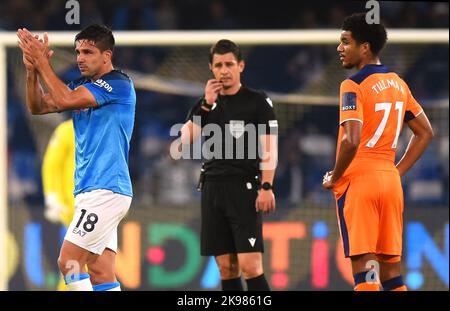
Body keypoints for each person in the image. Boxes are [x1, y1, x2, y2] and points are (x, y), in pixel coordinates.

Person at [17, 24, 136, 291]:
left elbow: (66, 98)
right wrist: (32, 71)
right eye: (78, 52)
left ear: (106, 56)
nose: (80, 58)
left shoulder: (118, 83)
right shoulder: (80, 86)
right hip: (89, 191)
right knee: (101, 271)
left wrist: (41, 62)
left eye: (88, 52)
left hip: (107, 189)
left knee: (68, 261)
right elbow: (38, 106)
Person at [322, 13, 434, 291]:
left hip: (359, 181)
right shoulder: (399, 83)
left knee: (366, 272)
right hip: (389, 180)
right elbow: (426, 132)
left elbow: (351, 141)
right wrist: (397, 171)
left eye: (345, 42)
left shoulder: (352, 85)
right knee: (392, 273)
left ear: (365, 47)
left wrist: (335, 177)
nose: (339, 48)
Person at [180, 39, 278, 291]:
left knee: (251, 266)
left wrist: (266, 185)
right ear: (211, 68)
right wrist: (206, 105)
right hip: (212, 189)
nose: (224, 70)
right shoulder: (205, 104)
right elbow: (184, 140)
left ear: (241, 66)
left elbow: (270, 148)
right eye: (219, 65)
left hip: (244, 189)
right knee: (226, 268)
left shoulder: (257, 101)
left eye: (230, 64)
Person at [41, 118, 75, 291]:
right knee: (78, 260)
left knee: (90, 261)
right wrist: (52, 197)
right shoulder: (67, 130)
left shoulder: (100, 130)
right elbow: (51, 164)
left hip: (95, 204)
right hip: (73, 206)